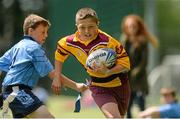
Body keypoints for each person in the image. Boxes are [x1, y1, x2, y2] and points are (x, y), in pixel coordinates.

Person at [0, 14, 87, 118]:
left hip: (9, 91)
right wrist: (76, 86)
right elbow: (52, 74)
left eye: (46, 32)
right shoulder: (34, 48)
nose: (46, 35)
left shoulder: (17, 46)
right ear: (31, 31)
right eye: (42, 32)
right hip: (18, 92)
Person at [52, 7, 131, 118]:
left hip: (120, 84)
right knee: (114, 117)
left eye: (91, 27)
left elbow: (125, 64)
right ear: (76, 26)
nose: (87, 31)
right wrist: (57, 77)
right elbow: (59, 55)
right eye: (82, 27)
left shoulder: (109, 42)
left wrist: (108, 71)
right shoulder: (68, 43)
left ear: (98, 24)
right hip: (98, 86)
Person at [120, 14, 158, 118]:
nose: (131, 29)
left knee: (141, 102)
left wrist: (135, 72)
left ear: (138, 27)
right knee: (128, 103)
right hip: (127, 77)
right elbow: (121, 56)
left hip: (139, 78)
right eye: (129, 26)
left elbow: (144, 61)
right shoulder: (124, 40)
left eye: (133, 26)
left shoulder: (142, 41)